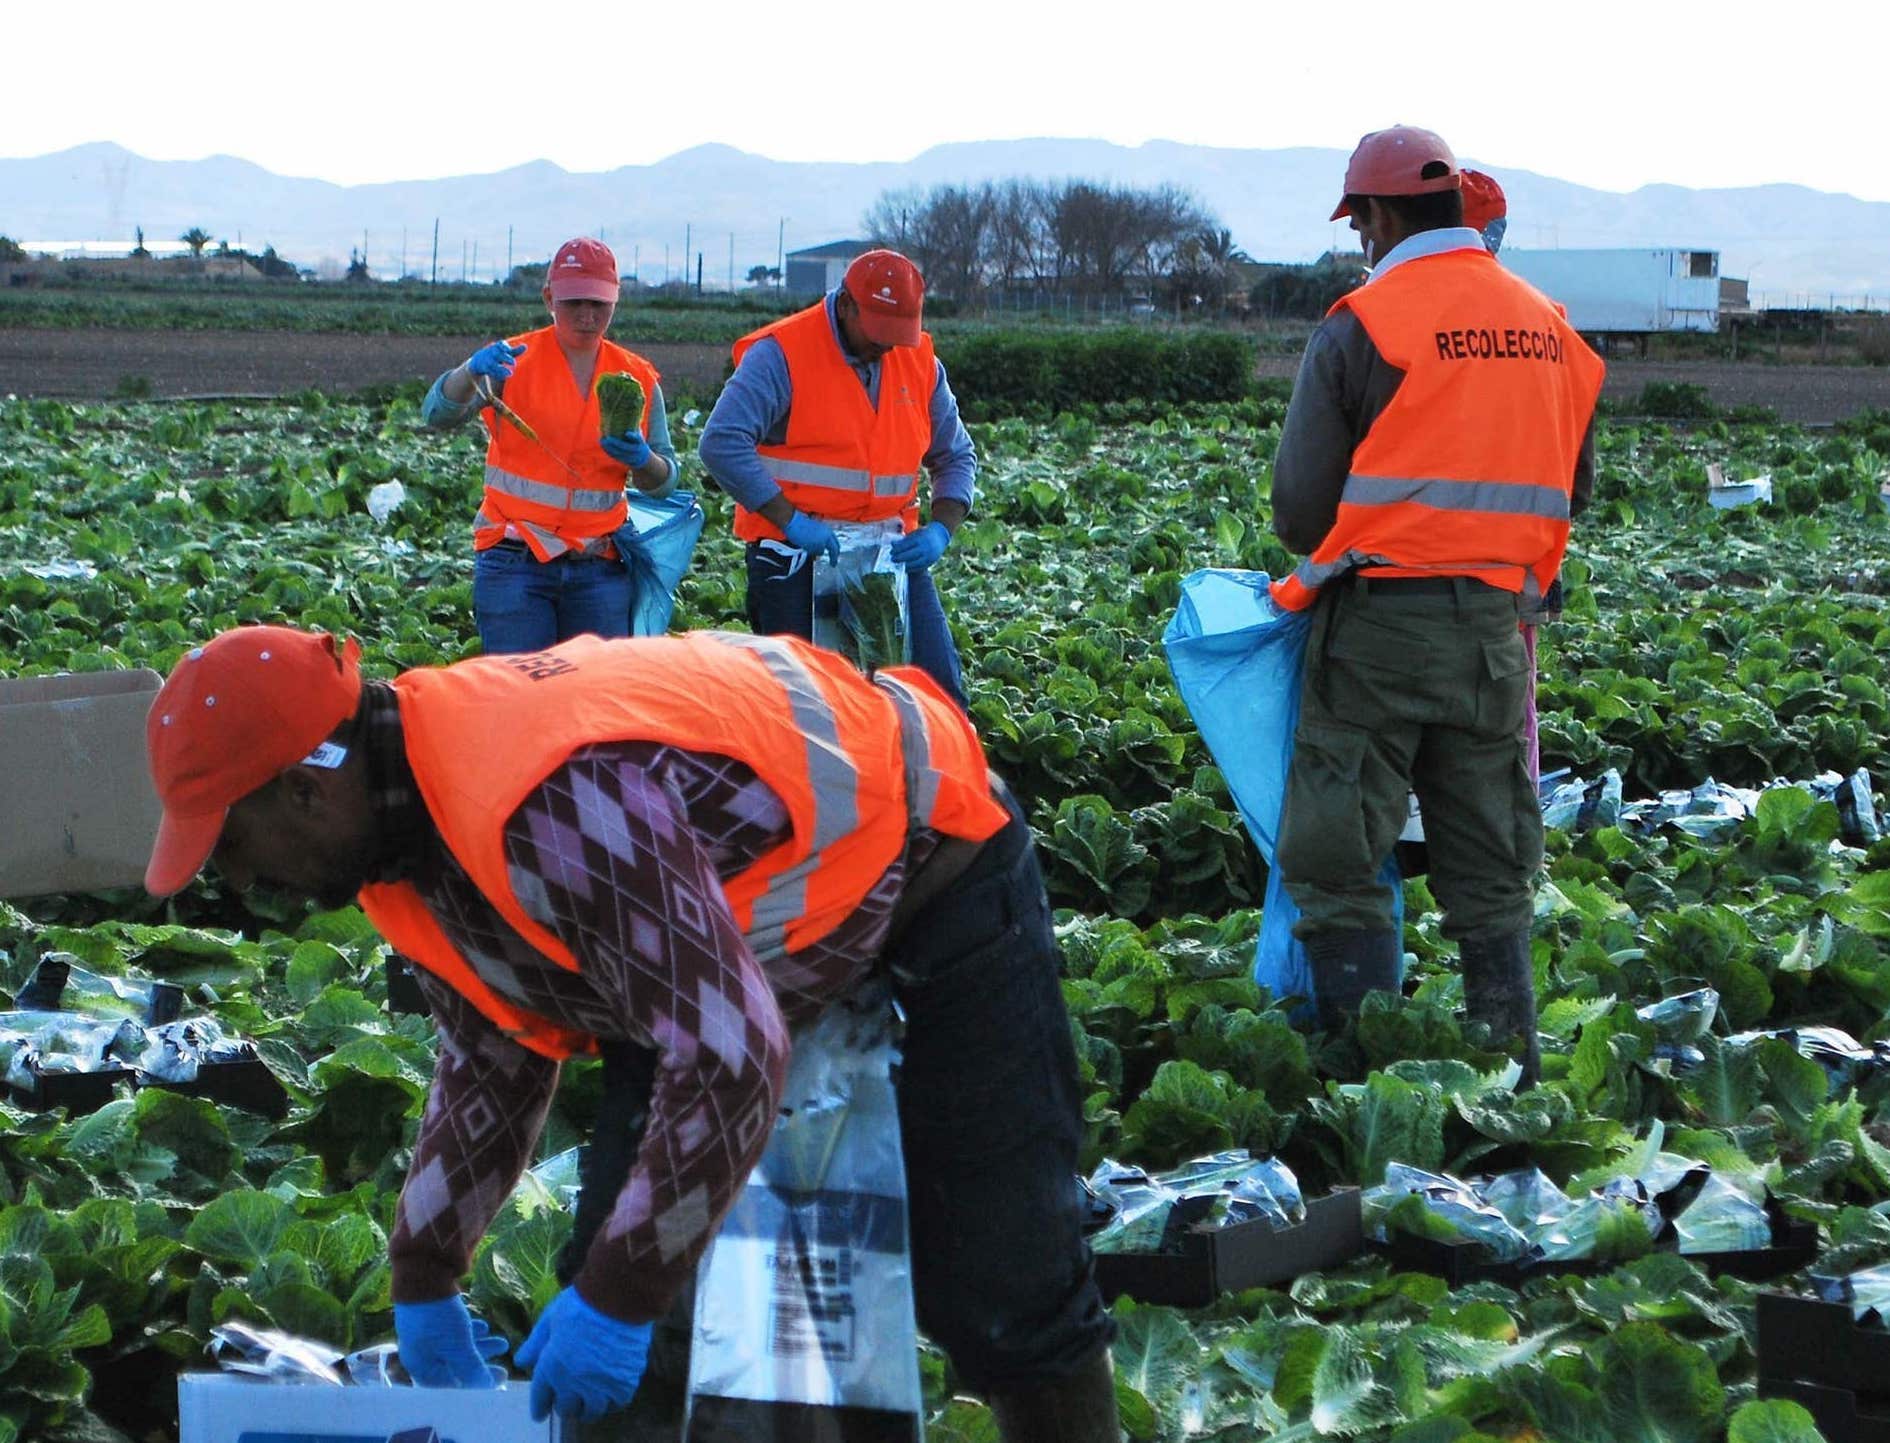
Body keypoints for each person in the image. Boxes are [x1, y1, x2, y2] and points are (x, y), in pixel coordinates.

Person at [140, 624, 1119, 1438]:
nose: (233, 879)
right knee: (628, 1301)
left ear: (306, 792)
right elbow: (492, 1047)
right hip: (701, 960)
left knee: (1005, 1282)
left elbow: (730, 1056)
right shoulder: (404, 846)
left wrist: (620, 1293)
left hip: (928, 860)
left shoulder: (546, 808)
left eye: (229, 843)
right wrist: (426, 1270)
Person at [1267, 126, 1604, 1081]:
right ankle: (1515, 1079)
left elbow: (1299, 512)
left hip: (1377, 628)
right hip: (1497, 635)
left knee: (1339, 859)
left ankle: (1371, 1087)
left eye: (1359, 222)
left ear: (1376, 214)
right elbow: (1570, 489)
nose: (1360, 242)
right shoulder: (1551, 327)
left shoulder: (1363, 323)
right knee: (1491, 863)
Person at [698, 249, 976, 709]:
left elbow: (957, 455)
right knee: (808, 709)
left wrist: (942, 529)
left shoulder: (920, 362)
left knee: (938, 698)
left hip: (889, 554)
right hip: (794, 556)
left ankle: (925, 782)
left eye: (897, 335)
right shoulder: (782, 354)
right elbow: (722, 442)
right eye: (878, 333)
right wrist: (790, 521)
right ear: (846, 305)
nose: (886, 347)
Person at [423, 236, 683, 654]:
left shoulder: (637, 378)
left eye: (599, 304)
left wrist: (643, 460)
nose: (586, 314)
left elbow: (665, 480)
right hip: (514, 563)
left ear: (616, 301)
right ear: (549, 297)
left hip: (598, 567)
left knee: (590, 705)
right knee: (522, 700)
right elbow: (437, 414)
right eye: (574, 302)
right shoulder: (511, 361)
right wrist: (469, 370)